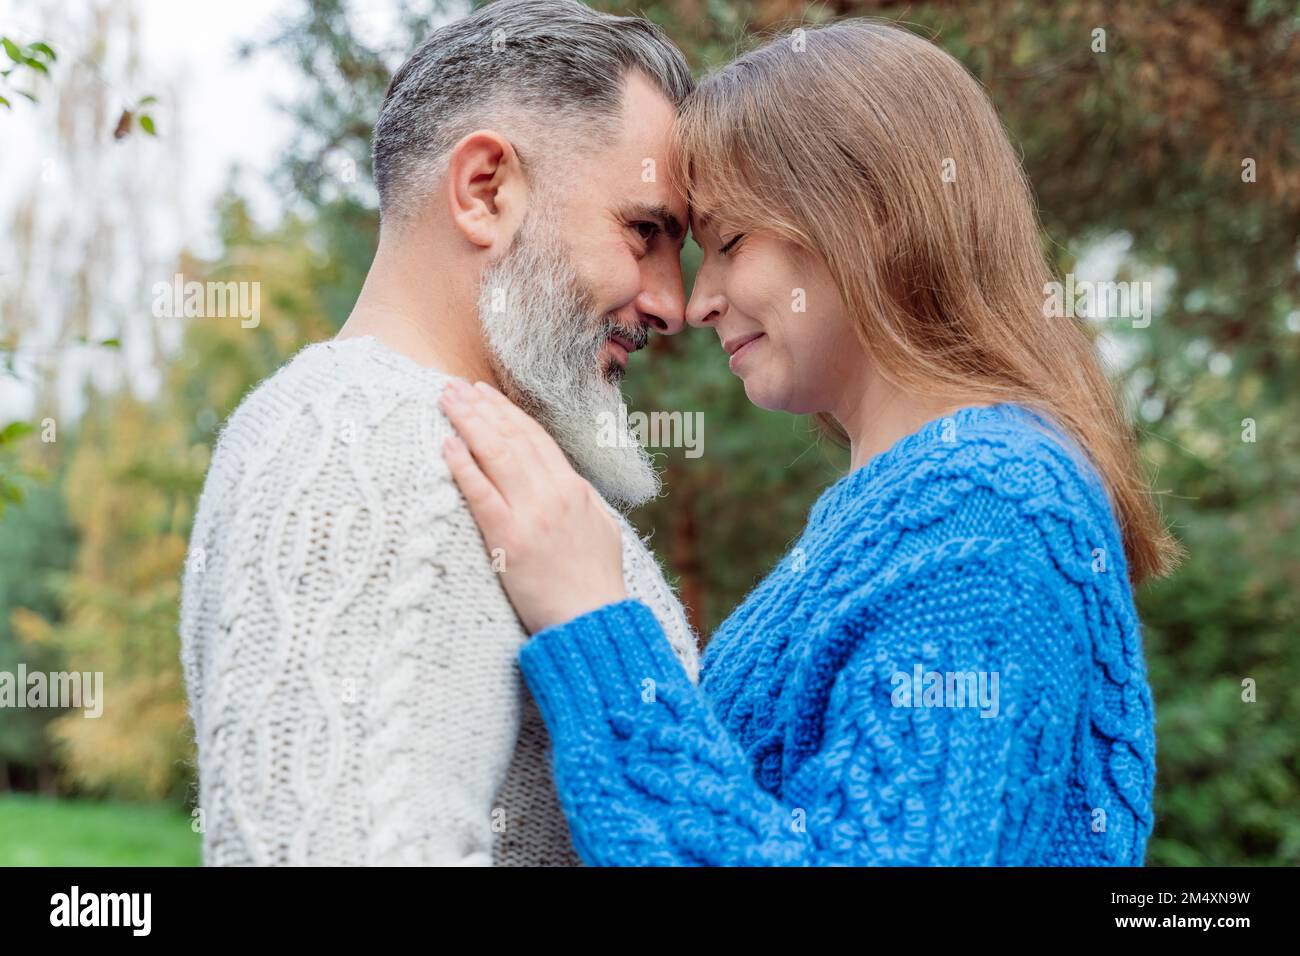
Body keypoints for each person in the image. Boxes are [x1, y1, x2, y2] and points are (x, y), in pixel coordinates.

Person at [439, 19, 1183, 865]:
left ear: (869, 213)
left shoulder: (988, 507)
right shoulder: (923, 499)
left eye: (729, 242)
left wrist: (592, 624)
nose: (697, 301)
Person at [179, 0, 700, 865]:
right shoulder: (356, 446)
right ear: (484, 190)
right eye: (645, 231)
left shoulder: (456, 447)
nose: (671, 303)